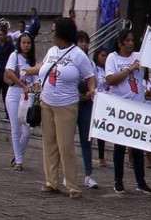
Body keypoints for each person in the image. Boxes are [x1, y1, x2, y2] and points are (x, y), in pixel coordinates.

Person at [39, 17, 97, 198]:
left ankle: (72, 186)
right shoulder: (51, 51)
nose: (51, 33)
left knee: (65, 146)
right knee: (49, 143)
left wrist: (91, 90)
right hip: (46, 103)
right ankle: (51, 182)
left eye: (54, 30)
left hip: (66, 106)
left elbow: (90, 77)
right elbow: (42, 68)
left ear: (62, 33)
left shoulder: (78, 54)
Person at [104, 30, 151, 195]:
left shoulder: (139, 56)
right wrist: (129, 69)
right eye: (128, 40)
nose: (131, 43)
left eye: (133, 40)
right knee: (119, 146)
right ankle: (118, 181)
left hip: (137, 107)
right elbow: (110, 80)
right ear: (120, 43)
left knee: (138, 146)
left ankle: (141, 182)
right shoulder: (112, 58)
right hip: (120, 107)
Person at [4, 32, 40, 170]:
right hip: (14, 94)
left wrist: (35, 87)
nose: (26, 45)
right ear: (19, 44)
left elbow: (36, 79)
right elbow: (9, 72)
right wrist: (22, 84)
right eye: (23, 42)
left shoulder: (32, 60)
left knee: (27, 131)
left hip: (27, 97)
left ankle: (17, 155)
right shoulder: (14, 55)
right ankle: (19, 161)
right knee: (16, 129)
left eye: (28, 43)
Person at [74, 32, 100, 190]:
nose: (84, 45)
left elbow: (95, 82)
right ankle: (67, 174)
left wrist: (90, 92)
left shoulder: (91, 63)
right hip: (71, 103)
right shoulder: (70, 61)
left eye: (86, 42)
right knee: (66, 140)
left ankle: (88, 175)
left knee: (86, 139)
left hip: (86, 104)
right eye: (80, 41)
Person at [92, 48, 109, 168]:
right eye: (103, 55)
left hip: (106, 102)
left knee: (101, 130)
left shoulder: (108, 69)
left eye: (106, 56)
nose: (105, 58)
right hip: (94, 101)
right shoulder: (94, 69)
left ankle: (101, 157)